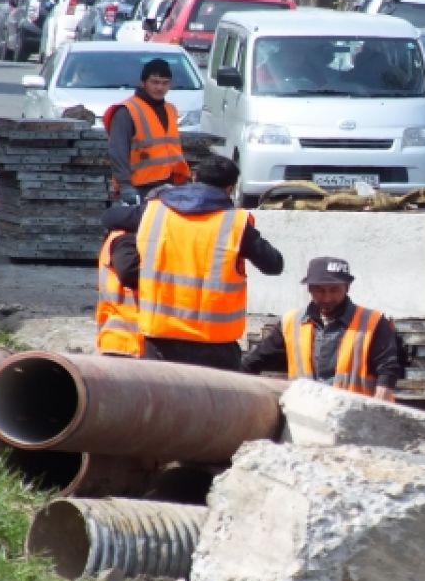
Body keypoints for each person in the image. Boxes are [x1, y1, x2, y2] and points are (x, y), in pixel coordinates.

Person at [105, 155, 284, 370]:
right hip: (215, 343)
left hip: (161, 338)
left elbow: (110, 218)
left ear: (194, 177)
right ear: (230, 189)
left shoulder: (154, 211)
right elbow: (274, 265)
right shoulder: (235, 224)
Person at [241, 257, 402, 401]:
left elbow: (388, 371)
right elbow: (253, 362)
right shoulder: (290, 323)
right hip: (306, 418)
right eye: (320, 290)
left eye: (334, 290)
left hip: (356, 420)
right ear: (309, 288)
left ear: (347, 288)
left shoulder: (373, 322)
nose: (327, 298)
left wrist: (380, 409)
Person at [103, 58, 191, 205]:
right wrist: (125, 185)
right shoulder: (127, 111)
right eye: (155, 82)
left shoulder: (170, 110)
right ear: (143, 83)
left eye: (165, 83)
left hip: (169, 183)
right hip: (140, 187)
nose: (160, 88)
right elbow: (118, 151)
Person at [94, 225, 143, 357]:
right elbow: (129, 274)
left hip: (120, 341)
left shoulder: (121, 236)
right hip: (126, 343)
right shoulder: (125, 239)